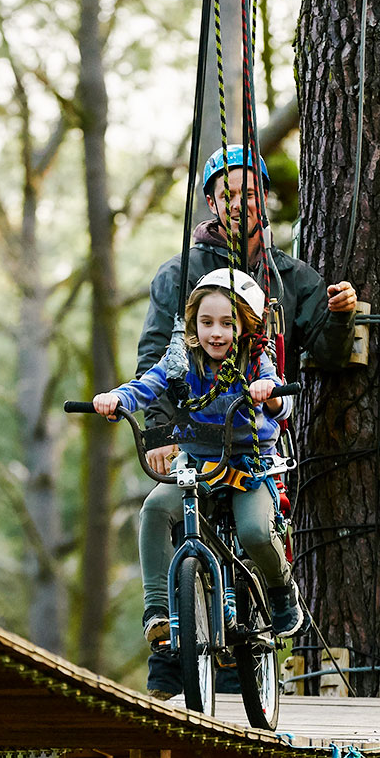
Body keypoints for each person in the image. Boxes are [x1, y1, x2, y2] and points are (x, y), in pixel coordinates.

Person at [94, 271, 303, 697]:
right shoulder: (181, 358)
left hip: (249, 466)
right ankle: (159, 610)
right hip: (200, 467)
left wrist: (270, 391)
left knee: (254, 531)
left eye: (227, 323)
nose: (216, 332)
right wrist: (117, 399)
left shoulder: (255, 358)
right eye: (206, 322)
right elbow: (147, 386)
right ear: (193, 325)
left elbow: (281, 401)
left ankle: (280, 589)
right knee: (155, 508)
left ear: (243, 325)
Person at [136, 145, 360, 477]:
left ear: (265, 198)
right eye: (228, 196)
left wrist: (341, 314)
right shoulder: (179, 275)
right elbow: (157, 353)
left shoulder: (291, 278)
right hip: (193, 444)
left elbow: (331, 355)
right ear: (212, 204)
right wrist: (158, 431)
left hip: (264, 446)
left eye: (251, 194)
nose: (239, 203)